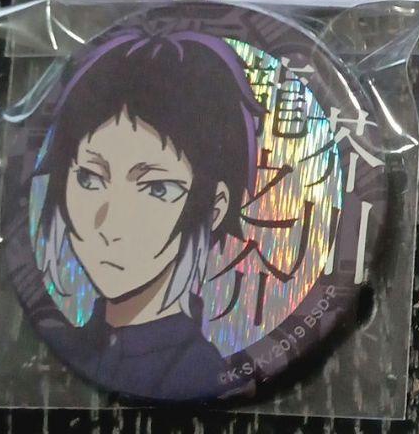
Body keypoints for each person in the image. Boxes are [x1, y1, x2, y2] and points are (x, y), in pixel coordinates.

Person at [34, 26, 265, 400]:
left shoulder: (201, 372)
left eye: (157, 189)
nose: (110, 224)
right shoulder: (64, 349)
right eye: (90, 178)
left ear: (215, 207)